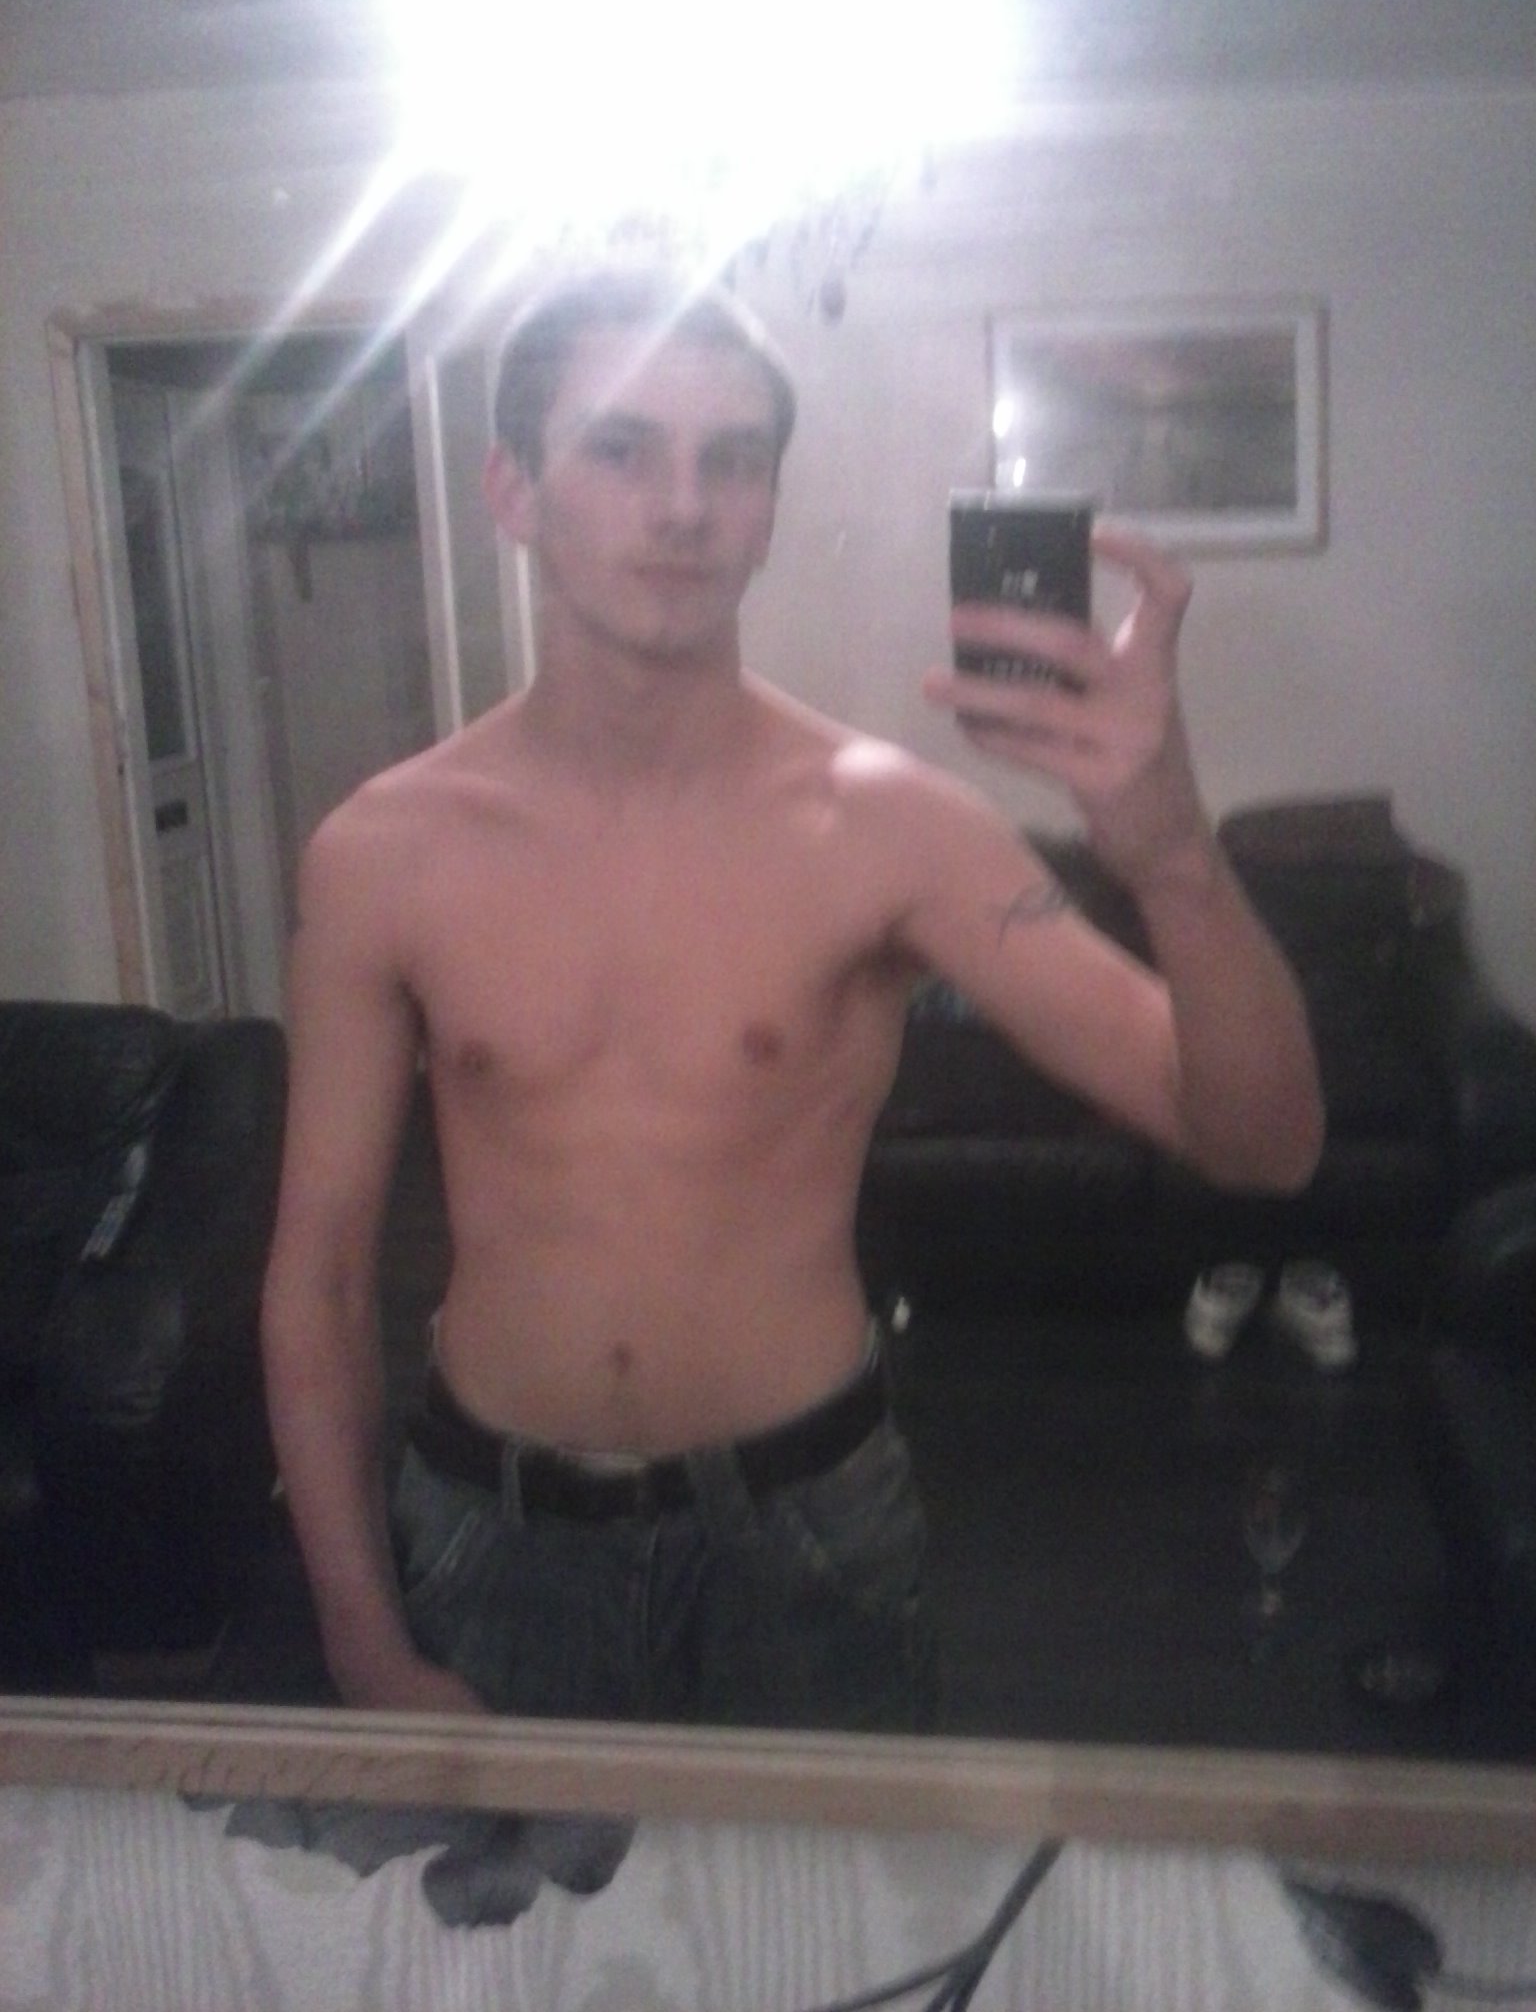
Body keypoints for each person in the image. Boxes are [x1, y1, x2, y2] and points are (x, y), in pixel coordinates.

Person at [260, 264, 1324, 1736]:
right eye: (620, 450)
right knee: (516, 1903)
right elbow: (319, 1274)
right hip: (493, 1530)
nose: (683, 506)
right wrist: (359, 1636)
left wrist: (1174, 855)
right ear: (512, 490)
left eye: (733, 460)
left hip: (806, 1531)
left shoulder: (888, 825)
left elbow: (1263, 1144)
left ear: (767, 508)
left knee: (833, 1899)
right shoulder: (382, 853)